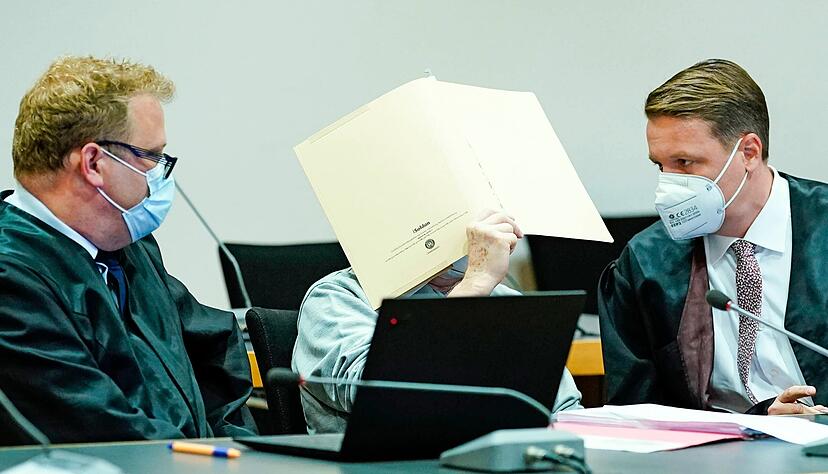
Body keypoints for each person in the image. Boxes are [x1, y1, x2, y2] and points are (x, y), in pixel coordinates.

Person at [0, 56, 257, 443]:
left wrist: (240, 452)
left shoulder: (129, 247)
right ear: (93, 163)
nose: (160, 175)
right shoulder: (12, 280)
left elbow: (214, 351)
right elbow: (100, 428)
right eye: (152, 157)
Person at [599, 59, 828, 416]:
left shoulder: (822, 228)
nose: (668, 184)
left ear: (749, 152)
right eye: (660, 165)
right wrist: (761, 420)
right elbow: (635, 412)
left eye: (685, 163)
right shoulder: (646, 262)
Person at [293, 210, 583, 433]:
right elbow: (385, 398)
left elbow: (563, 407)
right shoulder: (339, 296)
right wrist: (475, 285)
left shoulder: (504, 298)